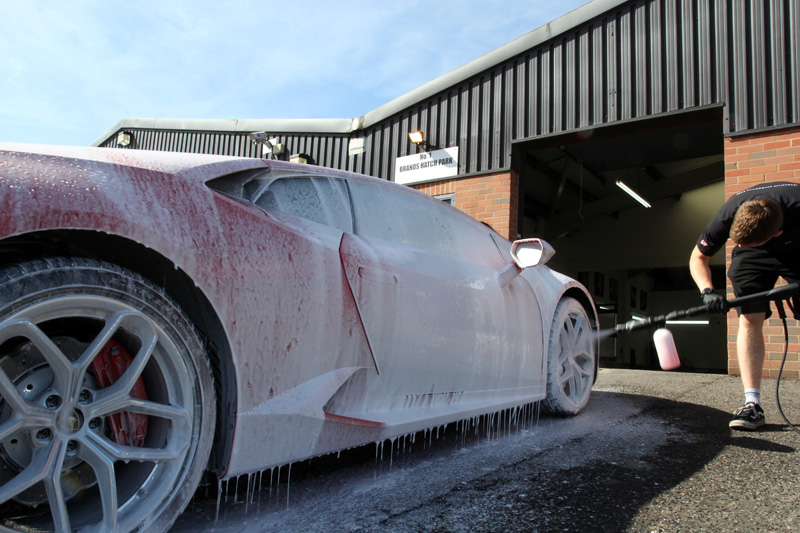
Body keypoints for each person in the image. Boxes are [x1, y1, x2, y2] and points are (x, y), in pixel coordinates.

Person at [690, 181, 800, 430]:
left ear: (777, 234)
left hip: (797, 247)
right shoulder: (729, 214)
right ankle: (752, 405)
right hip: (754, 255)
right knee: (750, 318)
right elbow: (698, 257)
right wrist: (707, 292)